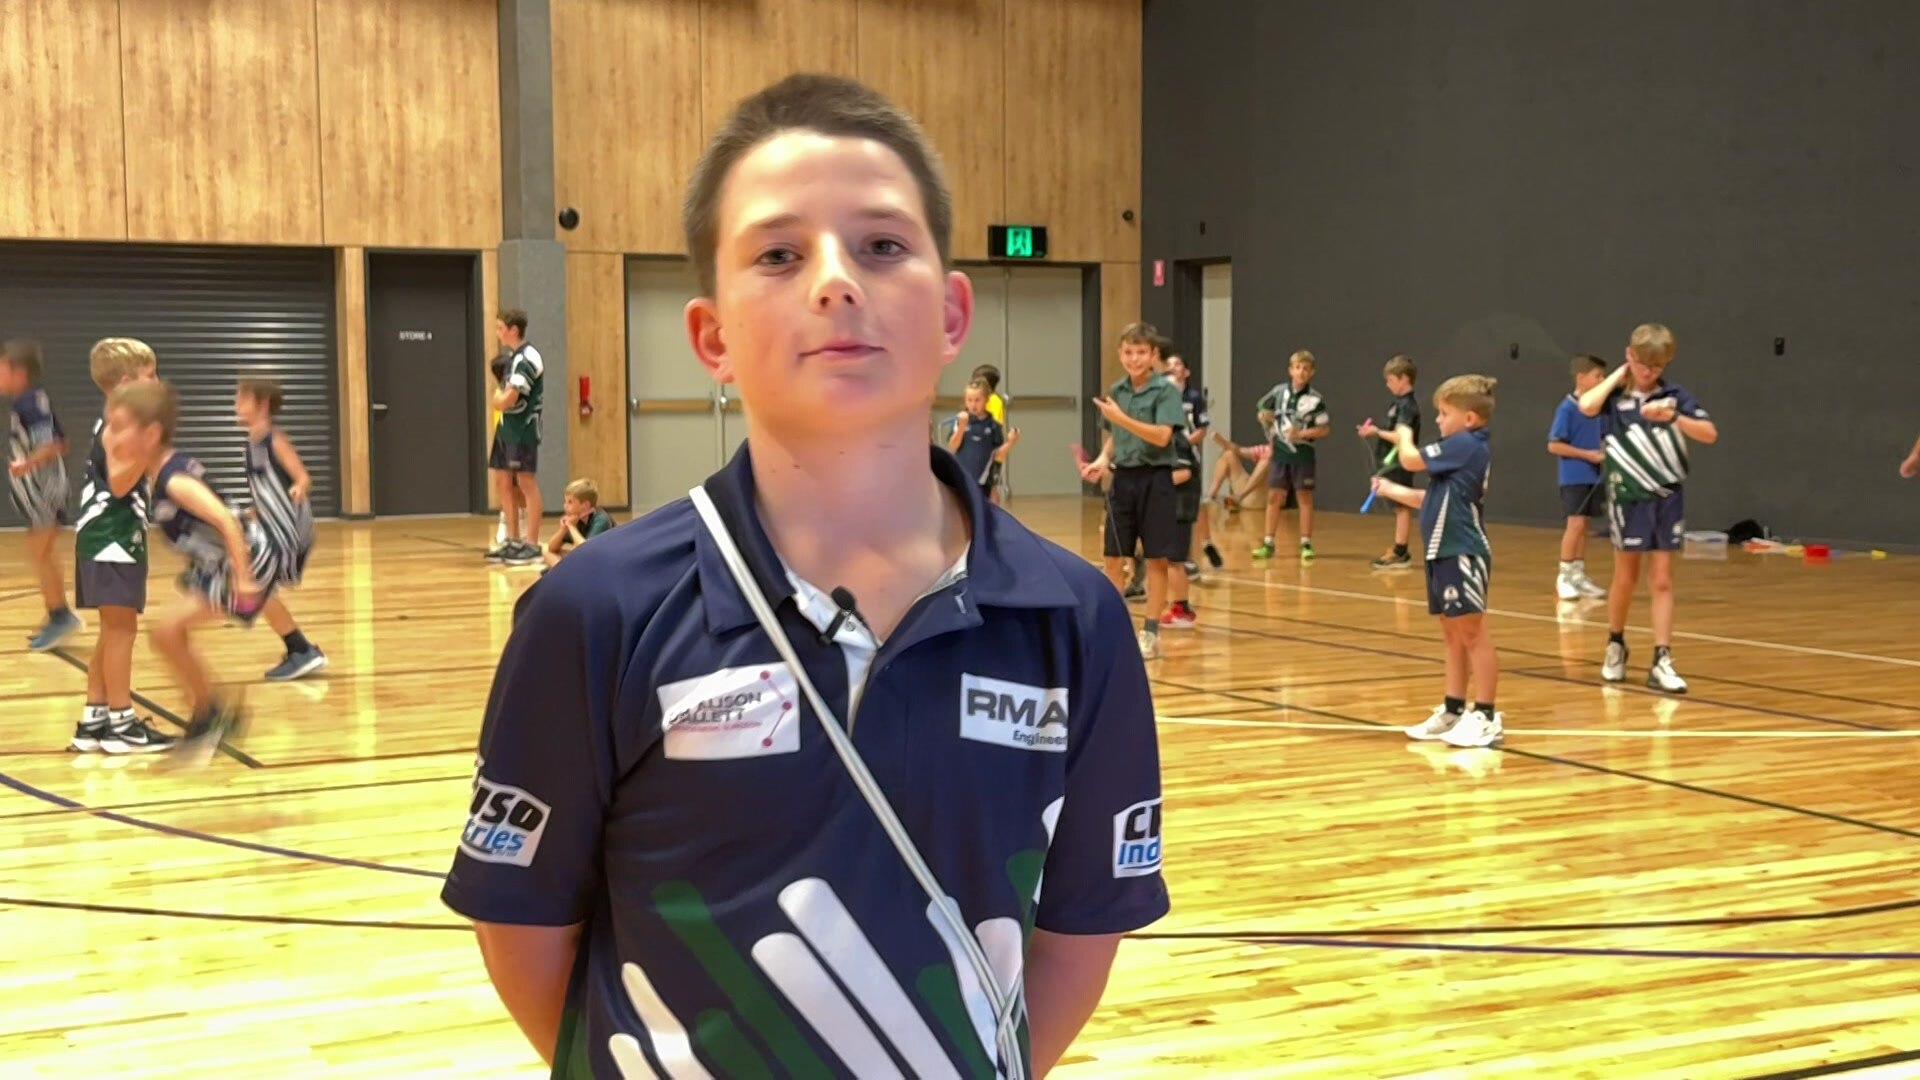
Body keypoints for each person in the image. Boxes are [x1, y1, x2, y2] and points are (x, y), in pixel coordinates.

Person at [441, 73, 1167, 1079]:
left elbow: (1082, 930)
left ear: (953, 313)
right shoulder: (591, 610)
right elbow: (524, 934)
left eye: (883, 245)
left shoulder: (1075, 618)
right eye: (780, 254)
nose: (836, 280)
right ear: (713, 338)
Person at [103, 379, 263, 764]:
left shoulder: (174, 480)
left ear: (152, 433)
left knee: (166, 633)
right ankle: (210, 711)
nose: (110, 434)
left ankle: (211, 713)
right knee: (168, 635)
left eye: (119, 426)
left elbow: (227, 522)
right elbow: (115, 482)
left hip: (243, 559)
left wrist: (243, 581)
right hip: (215, 562)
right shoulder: (155, 471)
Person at [1578, 323, 1718, 693]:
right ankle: (1615, 643)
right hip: (1628, 497)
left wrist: (1673, 417)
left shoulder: (1674, 396)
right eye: (1642, 364)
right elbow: (1586, 405)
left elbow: (1709, 433)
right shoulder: (1614, 395)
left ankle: (1662, 658)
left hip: (1668, 496)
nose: (1648, 372)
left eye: (1656, 367)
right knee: (1626, 575)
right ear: (1630, 356)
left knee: (1662, 579)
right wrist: (1618, 375)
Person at [1371, 375, 1503, 749]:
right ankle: (1453, 709)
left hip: (1463, 549)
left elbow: (1411, 458)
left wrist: (1403, 433)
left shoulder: (1466, 445)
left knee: (1473, 633)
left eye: (1445, 414)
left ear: (1471, 419)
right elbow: (1433, 499)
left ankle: (1487, 715)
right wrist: (1391, 489)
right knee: (1453, 636)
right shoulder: (1456, 452)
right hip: (1440, 551)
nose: (1440, 421)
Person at [70, 338, 173, 754]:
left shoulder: (111, 422)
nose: (159, 382)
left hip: (105, 539)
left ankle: (95, 719)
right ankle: (123, 722)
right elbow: (118, 482)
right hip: (111, 539)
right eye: (152, 375)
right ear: (128, 382)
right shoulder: (120, 426)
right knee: (121, 631)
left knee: (111, 630)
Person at [1082, 323, 1186, 659]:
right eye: (1128, 352)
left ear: (1153, 355)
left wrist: (1120, 417)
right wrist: (1101, 459)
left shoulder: (1166, 390)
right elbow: (1114, 436)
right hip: (1122, 478)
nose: (1134, 358)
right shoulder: (1118, 389)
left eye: (1141, 352)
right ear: (1119, 354)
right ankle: (1117, 629)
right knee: (1113, 556)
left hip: (1155, 479)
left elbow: (1161, 437)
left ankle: (1150, 632)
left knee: (1155, 557)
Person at [234, 378, 328, 680]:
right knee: (258, 586)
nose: (236, 405)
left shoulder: (275, 440)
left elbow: (302, 477)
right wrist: (252, 512)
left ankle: (300, 650)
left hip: (290, 528)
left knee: (256, 584)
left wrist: (299, 488)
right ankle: (299, 648)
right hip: (272, 526)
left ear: (261, 403)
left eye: (242, 398)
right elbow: (266, 491)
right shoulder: (251, 445)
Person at [4, 339, 82, 650]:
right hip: (43, 489)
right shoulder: (33, 400)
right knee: (42, 553)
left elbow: (50, 445)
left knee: (41, 553)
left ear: (17, 372)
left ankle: (61, 616)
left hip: (44, 490)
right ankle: (57, 614)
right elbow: (63, 441)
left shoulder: (29, 403)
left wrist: (27, 463)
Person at [1252, 350, 1329, 562]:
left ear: (1312, 372)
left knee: (1304, 497)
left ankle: (1305, 542)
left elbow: (1323, 429)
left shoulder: (1315, 400)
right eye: (1297, 368)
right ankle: (1268, 542)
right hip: (1280, 453)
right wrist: (1264, 417)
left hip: (1303, 454)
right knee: (1275, 496)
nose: (1301, 372)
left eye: (1305, 368)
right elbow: (1261, 406)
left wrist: (1301, 433)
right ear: (1290, 370)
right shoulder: (1278, 392)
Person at [1547, 355, 1610, 600]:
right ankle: (1563, 575)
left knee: (1585, 525)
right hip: (1574, 476)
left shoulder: (1599, 409)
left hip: (1595, 478)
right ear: (1581, 378)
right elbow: (1554, 445)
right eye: (1598, 376)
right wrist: (1587, 455)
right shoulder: (1567, 409)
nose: (1602, 380)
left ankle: (1578, 574)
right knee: (1574, 524)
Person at [486, 309, 544, 566]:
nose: (498, 333)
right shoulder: (513, 357)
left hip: (523, 430)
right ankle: (512, 539)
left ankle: (531, 543)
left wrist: (498, 400)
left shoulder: (528, 358)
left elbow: (510, 397)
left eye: (500, 328)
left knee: (525, 483)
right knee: (502, 481)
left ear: (513, 329)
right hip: (506, 429)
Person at [1356, 355, 1420, 569]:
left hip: (1399, 461)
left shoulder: (1408, 407)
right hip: (1389, 460)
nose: (1388, 384)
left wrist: (1376, 432)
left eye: (1391, 379)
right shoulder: (1397, 404)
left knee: (1402, 506)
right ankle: (1399, 549)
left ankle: (1400, 551)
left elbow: (1401, 437)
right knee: (1397, 506)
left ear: (1403, 378)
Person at [1167, 353, 1221, 575]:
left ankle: (1194, 551)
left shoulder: (1194, 398)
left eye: (1177, 364)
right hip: (1164, 455)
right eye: (1168, 365)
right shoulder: (1161, 397)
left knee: (1190, 507)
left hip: (1186, 457)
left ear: (1186, 372)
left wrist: (1183, 443)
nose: (1172, 368)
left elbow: (1202, 429)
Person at [947, 378, 1017, 501]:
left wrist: (1011, 442)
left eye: (977, 400)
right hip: (960, 481)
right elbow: (952, 447)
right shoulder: (960, 421)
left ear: (986, 400)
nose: (973, 404)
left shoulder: (994, 425)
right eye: (969, 400)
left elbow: (998, 456)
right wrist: (961, 427)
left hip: (983, 483)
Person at [540, 478, 616, 569]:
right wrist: (563, 529)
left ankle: (564, 572)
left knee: (578, 552)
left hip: (605, 561)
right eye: (565, 501)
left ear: (585, 505)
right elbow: (551, 548)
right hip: (588, 557)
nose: (565, 506)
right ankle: (562, 571)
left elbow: (586, 549)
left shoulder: (601, 519)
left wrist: (572, 527)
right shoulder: (575, 519)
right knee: (545, 549)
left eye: (570, 502)